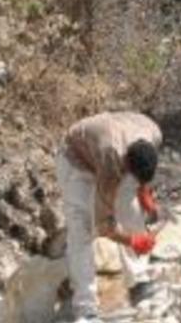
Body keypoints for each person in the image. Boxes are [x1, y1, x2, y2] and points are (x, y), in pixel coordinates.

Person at [56, 112, 163, 322]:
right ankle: (86, 309)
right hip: (75, 160)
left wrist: (145, 192)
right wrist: (133, 240)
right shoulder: (111, 157)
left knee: (132, 210)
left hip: (113, 146)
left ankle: (139, 281)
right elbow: (105, 225)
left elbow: (142, 176)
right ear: (126, 164)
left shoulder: (154, 133)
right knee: (82, 229)